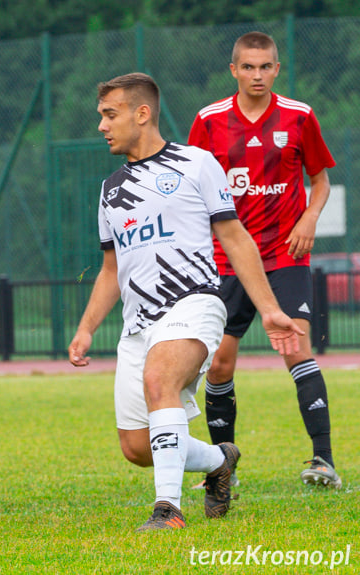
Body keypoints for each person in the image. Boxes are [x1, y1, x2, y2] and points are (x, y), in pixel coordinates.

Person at [68, 73, 303, 532]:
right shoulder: (110, 190)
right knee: (138, 447)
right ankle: (219, 459)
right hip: (138, 323)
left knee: (161, 381)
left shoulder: (195, 163)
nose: (102, 125)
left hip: (193, 302)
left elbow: (235, 238)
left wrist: (271, 308)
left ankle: (167, 511)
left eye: (110, 114)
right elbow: (111, 271)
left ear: (143, 114)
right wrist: (86, 328)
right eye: (101, 116)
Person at [188, 31, 341, 489]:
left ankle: (323, 461)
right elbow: (193, 188)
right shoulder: (209, 120)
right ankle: (222, 469)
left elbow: (321, 180)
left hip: (285, 254)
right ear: (233, 70)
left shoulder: (299, 116)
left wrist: (309, 219)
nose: (257, 75)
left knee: (296, 347)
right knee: (218, 364)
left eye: (265, 66)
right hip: (227, 258)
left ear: (277, 68)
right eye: (248, 67)